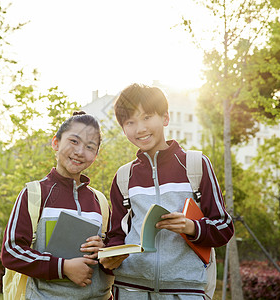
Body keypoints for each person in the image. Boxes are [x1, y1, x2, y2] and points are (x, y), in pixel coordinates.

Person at [100, 83, 234, 299]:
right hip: (130, 290)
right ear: (123, 129)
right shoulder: (124, 177)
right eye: (130, 122)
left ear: (165, 118)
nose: (140, 128)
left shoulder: (196, 165)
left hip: (185, 290)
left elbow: (224, 227)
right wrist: (111, 256)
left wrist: (191, 227)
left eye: (146, 117)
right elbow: (117, 235)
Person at [1, 111, 114, 300]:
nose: (79, 152)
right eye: (74, 141)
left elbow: (114, 256)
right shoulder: (34, 194)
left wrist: (103, 250)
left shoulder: (100, 201)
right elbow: (12, 252)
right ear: (56, 143)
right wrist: (63, 268)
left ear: (95, 155)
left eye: (89, 146)